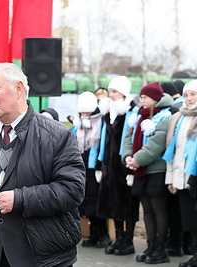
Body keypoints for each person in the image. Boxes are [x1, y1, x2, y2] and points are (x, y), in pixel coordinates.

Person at [0, 63, 85, 267]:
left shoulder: (57, 136)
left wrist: (20, 199)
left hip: (44, 257)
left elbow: (72, 190)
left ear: (18, 89)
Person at [122, 82, 173, 264]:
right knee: (147, 211)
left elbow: (157, 144)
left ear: (155, 98)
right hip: (140, 170)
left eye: (145, 97)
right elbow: (128, 137)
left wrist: (137, 160)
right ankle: (150, 246)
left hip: (156, 169)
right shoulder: (139, 116)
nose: (142, 100)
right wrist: (128, 156)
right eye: (141, 97)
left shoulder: (165, 116)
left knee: (158, 209)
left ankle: (160, 248)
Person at [96, 76, 140, 256]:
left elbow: (133, 140)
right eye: (111, 91)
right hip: (109, 165)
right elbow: (103, 140)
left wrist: (130, 169)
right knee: (112, 204)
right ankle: (119, 238)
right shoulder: (108, 112)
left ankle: (128, 241)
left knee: (127, 204)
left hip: (124, 165)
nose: (110, 95)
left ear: (123, 93)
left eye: (114, 91)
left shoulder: (132, 112)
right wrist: (100, 164)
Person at [163, 80, 197, 267]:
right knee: (189, 219)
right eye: (186, 95)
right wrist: (171, 178)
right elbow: (173, 150)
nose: (189, 99)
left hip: (195, 177)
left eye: (193, 94)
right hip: (181, 176)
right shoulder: (179, 117)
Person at [73, 92, 111, 248]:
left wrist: (99, 166)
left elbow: (103, 144)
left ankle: (103, 234)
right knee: (87, 202)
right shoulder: (79, 124)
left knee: (97, 201)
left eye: (87, 111)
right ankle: (93, 233)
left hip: (95, 167)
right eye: (81, 112)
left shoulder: (100, 123)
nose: (84, 115)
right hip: (82, 168)